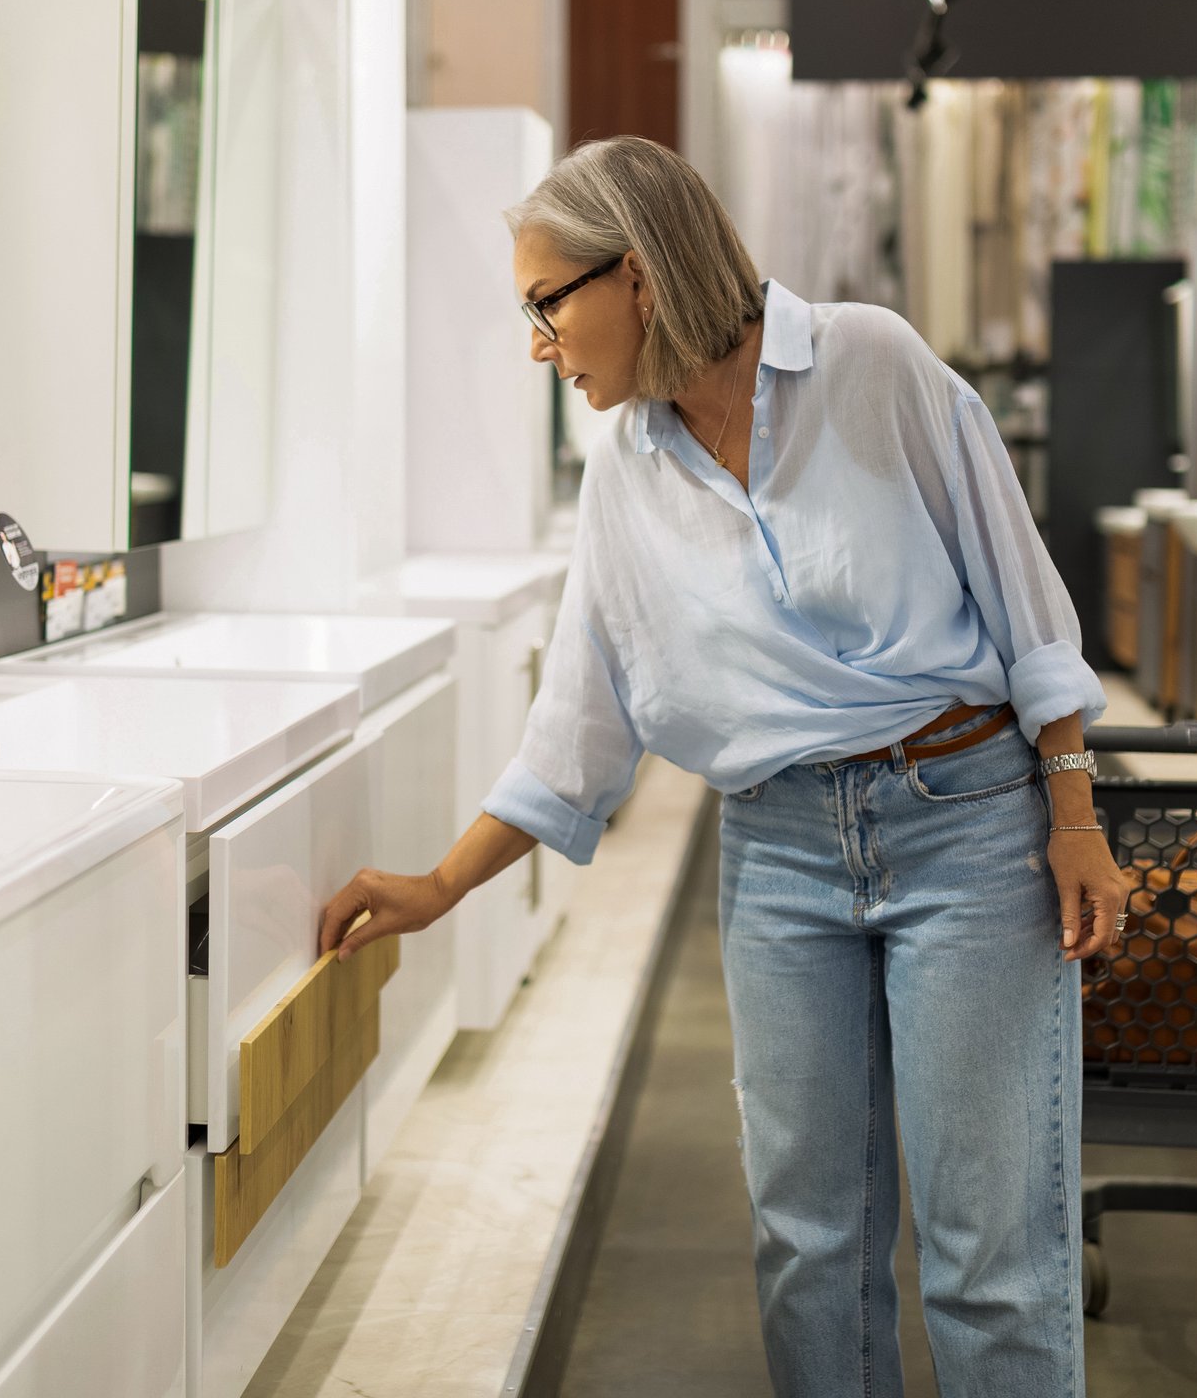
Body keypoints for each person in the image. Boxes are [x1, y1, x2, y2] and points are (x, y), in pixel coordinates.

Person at [318, 135, 1129, 1397]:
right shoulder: (624, 474)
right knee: (808, 1243)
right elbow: (581, 724)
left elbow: (1029, 606)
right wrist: (442, 884)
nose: (538, 341)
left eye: (546, 303)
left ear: (635, 278)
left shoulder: (871, 361)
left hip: (965, 825)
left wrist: (1073, 817)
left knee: (990, 1257)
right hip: (780, 850)